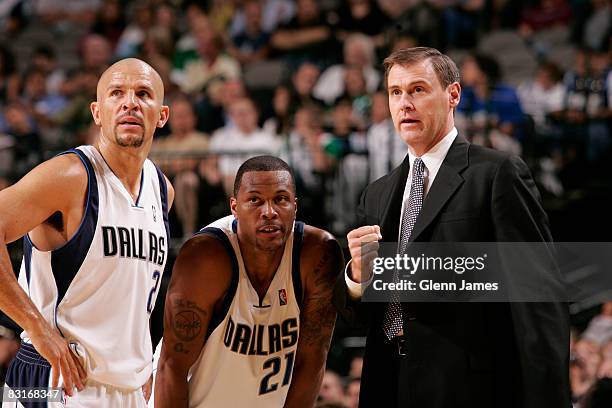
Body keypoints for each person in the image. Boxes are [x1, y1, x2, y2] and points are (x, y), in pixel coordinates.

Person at [334, 47, 570, 407]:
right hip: (389, 384)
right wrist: (357, 279)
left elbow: (538, 303)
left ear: (453, 95)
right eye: (395, 92)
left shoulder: (497, 175)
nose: (405, 103)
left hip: (471, 389)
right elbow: (367, 314)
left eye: (418, 89)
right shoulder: (377, 194)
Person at [0, 58, 173, 407]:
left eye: (143, 93)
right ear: (97, 112)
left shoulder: (162, 190)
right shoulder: (70, 176)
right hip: (55, 379)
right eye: (116, 93)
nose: (130, 102)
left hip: (130, 389)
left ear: (162, 115)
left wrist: (139, 364)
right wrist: (37, 329)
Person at [154, 155, 343, 407]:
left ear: (295, 206)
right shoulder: (206, 257)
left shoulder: (317, 254)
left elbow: (312, 361)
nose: (269, 212)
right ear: (234, 207)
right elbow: (171, 367)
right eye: (255, 200)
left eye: (280, 200)